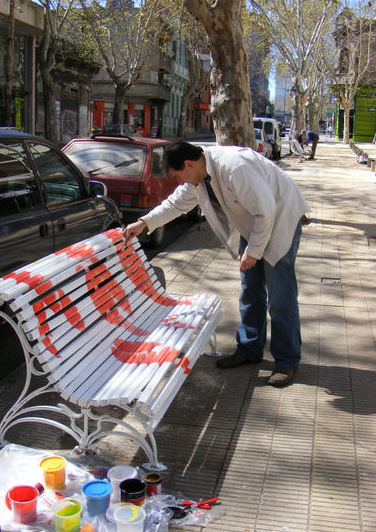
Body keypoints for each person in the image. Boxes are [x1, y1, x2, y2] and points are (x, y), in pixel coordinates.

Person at [123, 141, 309, 387]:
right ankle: (250, 349)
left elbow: (266, 210)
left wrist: (253, 251)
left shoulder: (234, 168)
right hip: (254, 224)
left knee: (280, 296)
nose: (180, 182)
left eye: (178, 176)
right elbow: (175, 204)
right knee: (250, 291)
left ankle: (286, 361)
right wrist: (144, 223)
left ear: (189, 164)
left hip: (279, 218)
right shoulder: (198, 177)